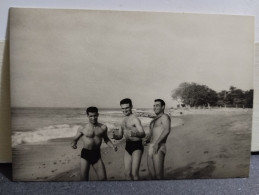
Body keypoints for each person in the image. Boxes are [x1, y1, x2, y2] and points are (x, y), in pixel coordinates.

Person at [71, 106, 117, 181]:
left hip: (96, 154)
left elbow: (106, 139)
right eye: (91, 116)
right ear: (87, 116)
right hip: (85, 155)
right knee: (84, 180)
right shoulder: (82, 128)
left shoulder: (103, 127)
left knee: (103, 179)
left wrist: (112, 146)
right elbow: (74, 140)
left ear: (98, 114)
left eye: (95, 115)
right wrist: (73, 144)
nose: (93, 118)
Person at [112, 98, 145, 180]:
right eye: (123, 108)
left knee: (134, 174)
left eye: (127, 108)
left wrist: (135, 134)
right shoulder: (122, 121)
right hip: (128, 146)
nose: (125, 110)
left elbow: (143, 133)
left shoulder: (135, 119)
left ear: (131, 107)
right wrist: (115, 136)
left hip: (137, 146)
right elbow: (120, 136)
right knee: (127, 173)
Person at [144, 99, 171, 179]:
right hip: (151, 147)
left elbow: (167, 130)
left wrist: (157, 143)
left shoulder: (165, 117)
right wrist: (146, 139)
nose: (155, 107)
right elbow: (150, 134)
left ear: (163, 107)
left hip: (159, 146)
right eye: (154, 105)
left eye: (157, 105)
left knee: (159, 176)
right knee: (152, 175)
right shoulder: (153, 120)